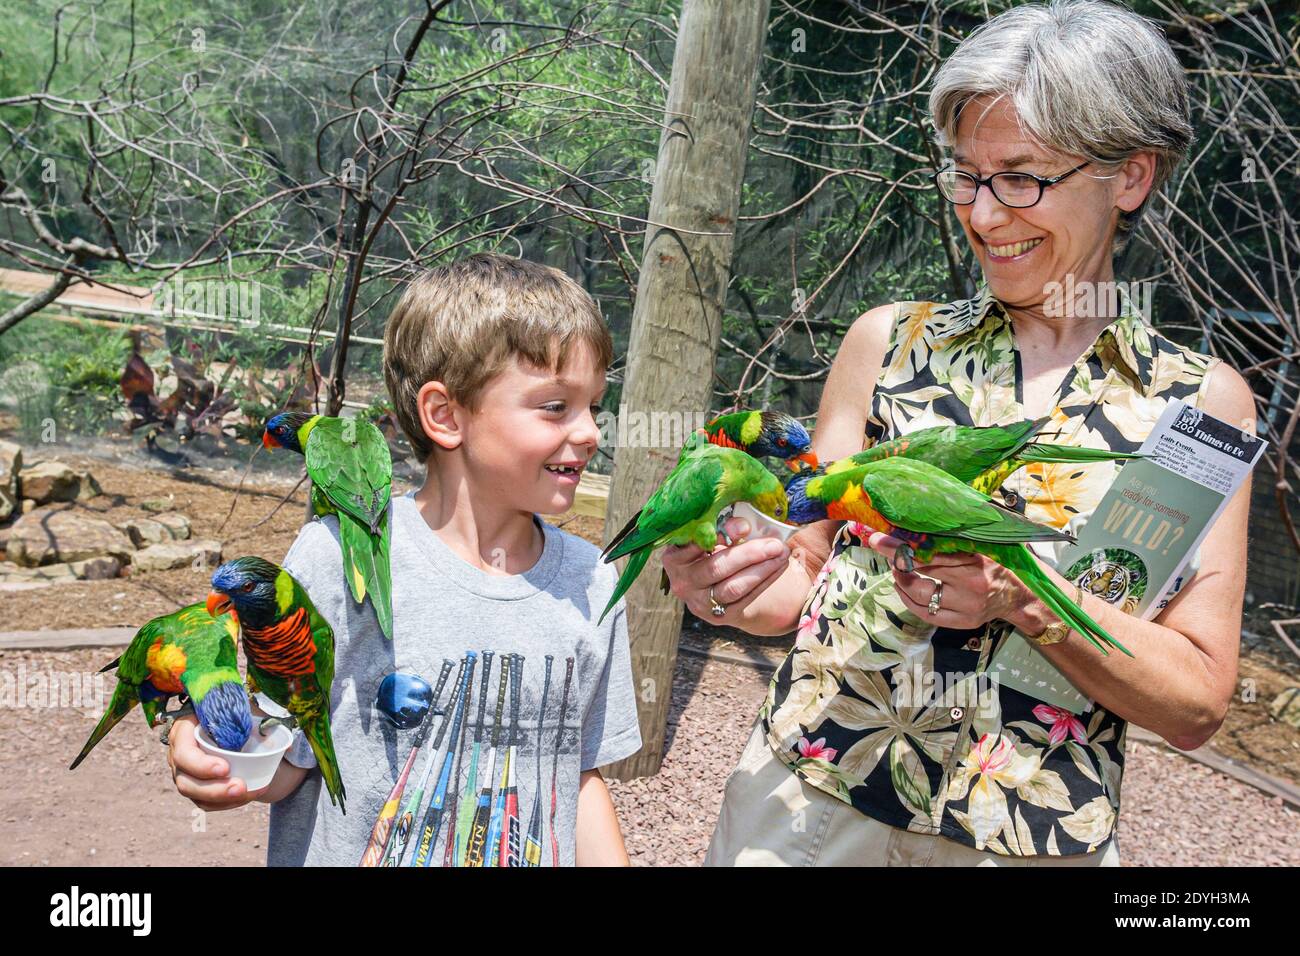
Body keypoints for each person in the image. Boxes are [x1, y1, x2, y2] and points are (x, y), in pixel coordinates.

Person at [665, 0, 1255, 866]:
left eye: (1022, 178)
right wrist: (729, 582)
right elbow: (804, 578)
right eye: (967, 176)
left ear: (1131, 176)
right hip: (810, 814)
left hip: (1025, 839)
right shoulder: (887, 345)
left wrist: (1027, 602)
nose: (982, 216)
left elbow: (1195, 702)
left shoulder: (1200, 406)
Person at [166, 252, 642, 866]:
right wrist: (206, 745)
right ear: (445, 416)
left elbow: (578, 778)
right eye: (555, 406)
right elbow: (287, 762)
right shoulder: (337, 557)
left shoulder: (593, 581)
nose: (590, 432)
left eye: (594, 406)